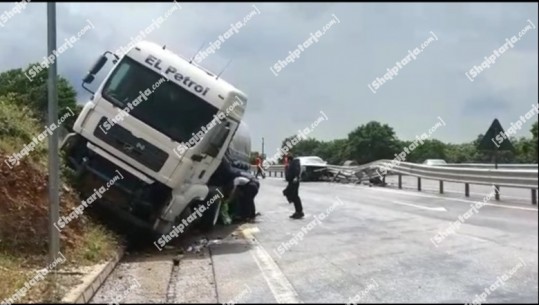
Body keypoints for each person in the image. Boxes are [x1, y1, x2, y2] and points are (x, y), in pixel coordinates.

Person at [285, 154, 304, 219]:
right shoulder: (291, 164)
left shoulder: (295, 163)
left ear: (289, 159)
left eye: (287, 160)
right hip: (291, 182)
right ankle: (298, 211)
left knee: (294, 196)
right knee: (292, 195)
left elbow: (297, 170)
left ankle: (299, 212)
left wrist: (296, 177)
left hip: (294, 182)